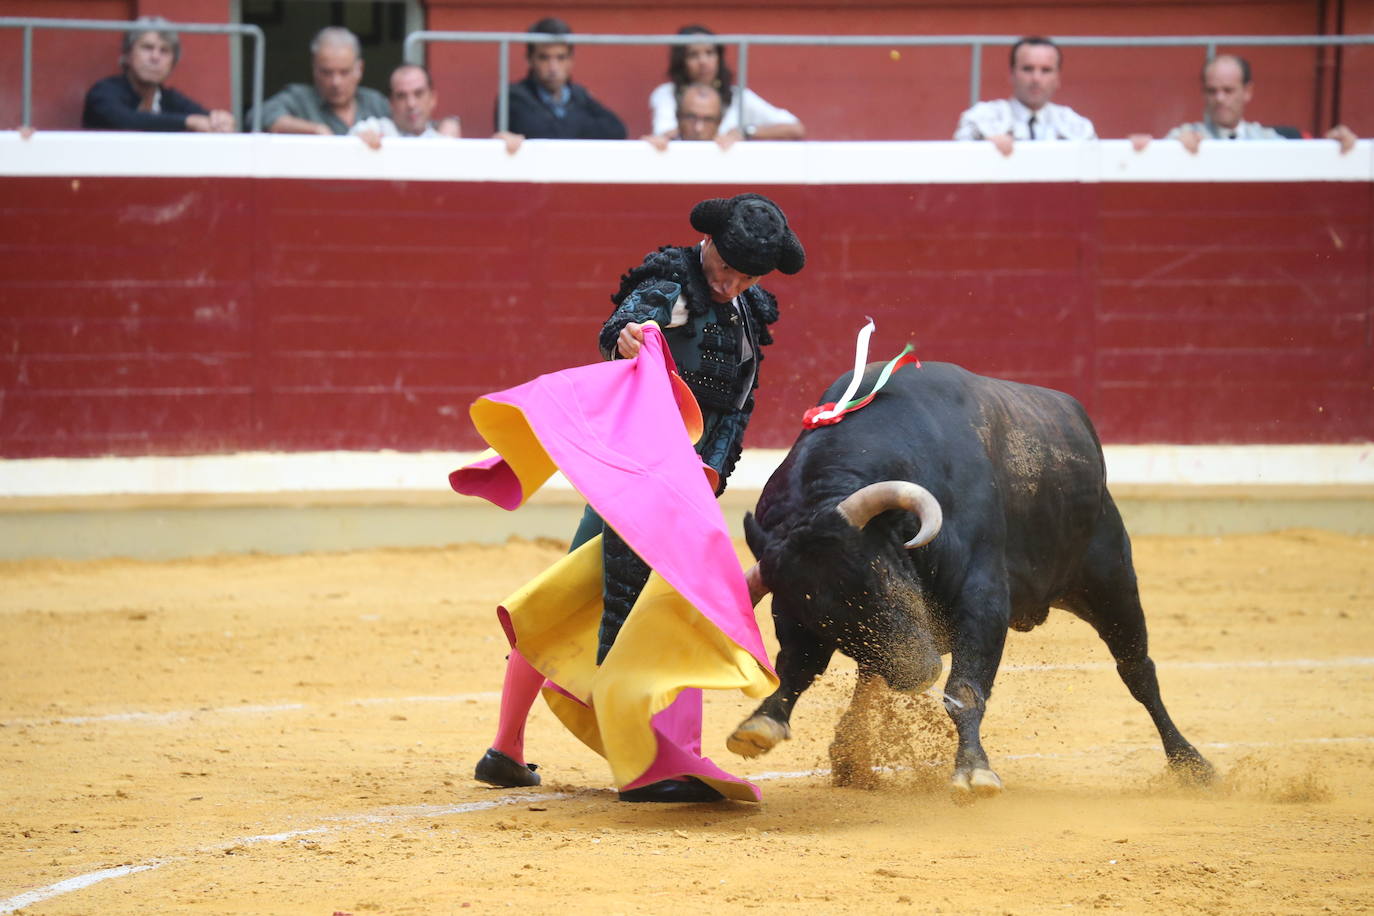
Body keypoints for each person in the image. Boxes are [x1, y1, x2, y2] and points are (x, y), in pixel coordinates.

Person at [474, 193, 806, 803]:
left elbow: (734, 408)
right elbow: (626, 327)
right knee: (663, 605)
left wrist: (711, 475)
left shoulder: (748, 311)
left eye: (744, 274)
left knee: (570, 598)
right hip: (634, 477)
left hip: (682, 487)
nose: (729, 282)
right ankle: (648, 760)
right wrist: (624, 338)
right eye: (724, 266)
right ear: (707, 243)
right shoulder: (669, 281)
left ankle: (507, 748)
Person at [1135, 54, 1357, 155]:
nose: (1220, 99)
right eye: (1212, 91)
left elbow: (1312, 158)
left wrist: (1334, 147)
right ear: (1203, 93)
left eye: (1228, 90)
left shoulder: (1268, 138)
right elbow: (1156, 154)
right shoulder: (1185, 135)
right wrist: (1170, 148)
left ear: (1247, 92)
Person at [646, 25, 804, 147]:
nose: (703, 61)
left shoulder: (738, 96)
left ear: (718, 58)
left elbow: (796, 128)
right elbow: (663, 134)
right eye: (693, 55)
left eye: (709, 53)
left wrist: (746, 131)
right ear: (681, 61)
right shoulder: (667, 93)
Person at [82, 16, 235, 132]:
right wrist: (189, 122)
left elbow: (206, 119)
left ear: (173, 63)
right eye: (147, 48)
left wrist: (221, 120)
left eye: (164, 51)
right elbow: (125, 121)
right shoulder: (103, 92)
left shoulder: (170, 98)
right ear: (128, 55)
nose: (155, 57)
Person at [953, 36, 1095, 156]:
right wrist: (983, 147)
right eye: (1027, 69)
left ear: (1057, 78)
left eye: (1046, 70)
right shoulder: (982, 117)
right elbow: (958, 156)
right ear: (1012, 74)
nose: (1036, 78)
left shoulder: (1076, 125)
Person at [500, 17, 626, 140]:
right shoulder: (513, 96)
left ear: (571, 60)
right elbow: (538, 133)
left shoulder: (579, 95)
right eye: (544, 58)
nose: (553, 68)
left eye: (561, 58)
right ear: (530, 59)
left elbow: (618, 130)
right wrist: (581, 123)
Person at [254, 26, 390, 135]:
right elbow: (260, 116)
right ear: (314, 69)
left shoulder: (376, 103)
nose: (336, 82)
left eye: (344, 72)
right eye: (326, 72)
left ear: (359, 69)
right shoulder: (299, 99)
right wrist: (313, 130)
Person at [351, 64, 461, 146]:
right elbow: (357, 132)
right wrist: (362, 137)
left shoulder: (442, 139)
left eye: (418, 94)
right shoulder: (380, 128)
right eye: (401, 96)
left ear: (432, 99)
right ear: (391, 103)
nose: (411, 104)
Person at [641, 82, 724, 150]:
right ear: (678, 117)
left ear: (719, 121)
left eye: (708, 120)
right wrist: (648, 152)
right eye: (691, 117)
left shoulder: (731, 150)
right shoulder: (663, 145)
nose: (698, 128)